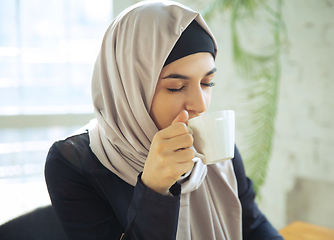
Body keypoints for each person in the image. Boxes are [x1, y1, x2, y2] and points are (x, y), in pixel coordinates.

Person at [45, 1, 284, 239]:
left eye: (206, 83)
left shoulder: (215, 150)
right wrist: (153, 188)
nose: (200, 105)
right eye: (176, 87)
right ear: (130, 89)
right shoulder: (73, 163)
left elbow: (252, 224)